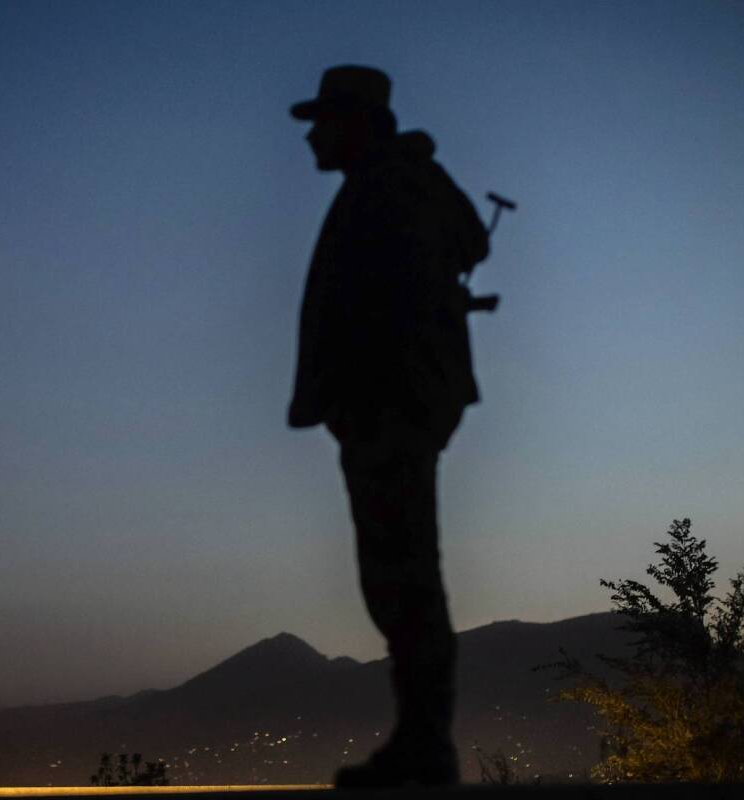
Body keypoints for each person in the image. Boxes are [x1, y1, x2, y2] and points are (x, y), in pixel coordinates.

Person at [287, 65, 490, 788]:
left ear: (357, 123)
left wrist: (366, 396)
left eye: (323, 120)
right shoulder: (394, 185)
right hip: (392, 404)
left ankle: (424, 747)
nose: (311, 134)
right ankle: (421, 741)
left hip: (390, 405)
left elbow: (392, 301)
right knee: (399, 573)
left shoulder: (389, 187)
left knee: (402, 574)